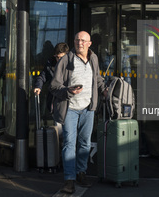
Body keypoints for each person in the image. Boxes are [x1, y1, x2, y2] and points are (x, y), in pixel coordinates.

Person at [50, 31, 107, 194]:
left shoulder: (94, 59)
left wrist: (104, 90)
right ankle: (69, 179)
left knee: (85, 144)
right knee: (69, 143)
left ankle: (81, 173)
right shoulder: (65, 60)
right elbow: (54, 86)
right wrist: (68, 91)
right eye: (77, 40)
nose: (79, 43)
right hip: (70, 110)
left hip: (88, 109)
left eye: (83, 41)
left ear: (89, 44)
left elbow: (97, 78)